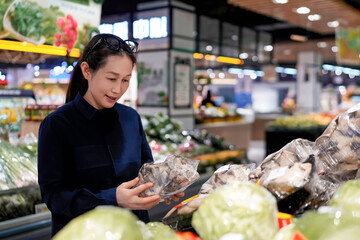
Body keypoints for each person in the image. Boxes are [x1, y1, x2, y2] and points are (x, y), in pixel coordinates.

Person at [37, 33, 184, 236]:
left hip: (133, 231)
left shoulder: (131, 118)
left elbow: (145, 172)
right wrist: (113, 198)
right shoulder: (58, 125)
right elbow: (54, 196)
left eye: (125, 80)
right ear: (87, 70)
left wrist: (162, 186)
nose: (118, 89)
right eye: (112, 78)